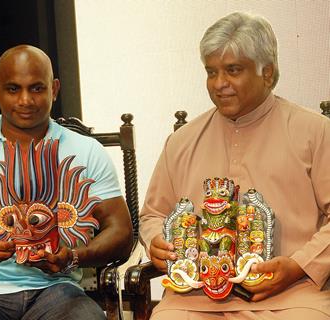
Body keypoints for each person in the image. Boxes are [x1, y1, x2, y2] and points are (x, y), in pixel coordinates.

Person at [139, 12, 330, 320]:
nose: (219, 84)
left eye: (233, 70)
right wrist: (157, 243)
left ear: (267, 73)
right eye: (211, 72)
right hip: (194, 297)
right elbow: (153, 214)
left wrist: (298, 265)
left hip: (292, 295)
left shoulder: (315, 132)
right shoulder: (182, 141)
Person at [0, 44, 133, 320]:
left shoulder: (87, 151)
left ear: (54, 89)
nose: (25, 100)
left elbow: (121, 232)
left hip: (58, 290)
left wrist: (72, 256)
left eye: (37, 88)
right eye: (13, 89)